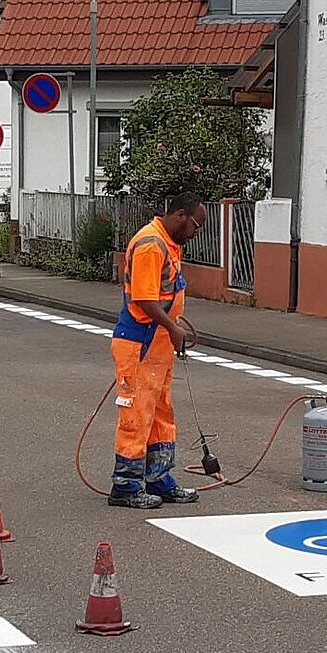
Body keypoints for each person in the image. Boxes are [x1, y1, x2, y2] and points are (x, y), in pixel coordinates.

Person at [108, 192, 207, 509]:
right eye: (195, 226)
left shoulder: (168, 242)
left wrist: (172, 329)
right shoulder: (152, 244)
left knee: (161, 412)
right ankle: (125, 486)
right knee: (136, 413)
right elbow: (144, 298)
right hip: (141, 341)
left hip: (158, 344)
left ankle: (159, 479)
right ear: (180, 215)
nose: (195, 233)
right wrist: (173, 327)